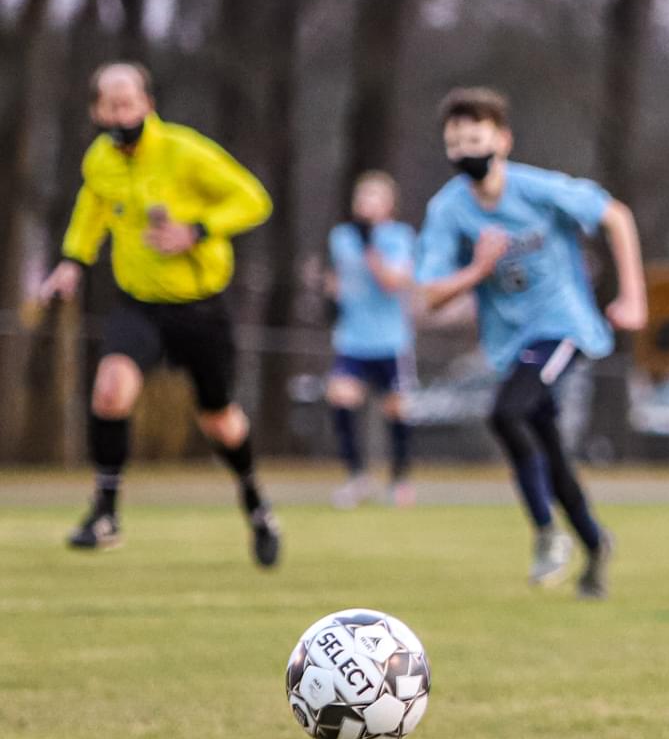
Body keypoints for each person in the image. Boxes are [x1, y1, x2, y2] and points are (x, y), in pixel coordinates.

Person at [38, 62, 279, 566]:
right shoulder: (99, 160)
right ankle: (105, 513)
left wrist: (196, 229)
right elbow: (92, 210)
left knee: (221, 422)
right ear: (96, 110)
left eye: (129, 102)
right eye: (111, 104)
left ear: (148, 104)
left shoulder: (184, 150)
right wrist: (71, 262)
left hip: (200, 308)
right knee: (110, 390)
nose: (121, 111)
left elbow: (253, 199)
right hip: (139, 306)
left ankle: (256, 504)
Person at [415, 88, 647, 599]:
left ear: (502, 140)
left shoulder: (538, 189)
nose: (464, 151)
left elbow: (617, 216)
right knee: (544, 443)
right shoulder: (448, 210)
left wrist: (633, 297)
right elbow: (429, 295)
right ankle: (593, 542)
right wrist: (477, 268)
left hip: (564, 328)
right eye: (454, 143)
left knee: (506, 413)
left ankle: (546, 534)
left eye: (474, 139)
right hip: (511, 345)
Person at [325, 171, 418, 509]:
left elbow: (393, 283)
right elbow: (337, 278)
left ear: (389, 204)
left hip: (390, 340)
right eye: (361, 197)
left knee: (395, 410)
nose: (365, 204)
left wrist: (370, 248)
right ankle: (357, 477)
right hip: (352, 338)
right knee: (341, 399)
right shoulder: (340, 237)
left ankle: (400, 480)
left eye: (373, 197)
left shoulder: (399, 237)